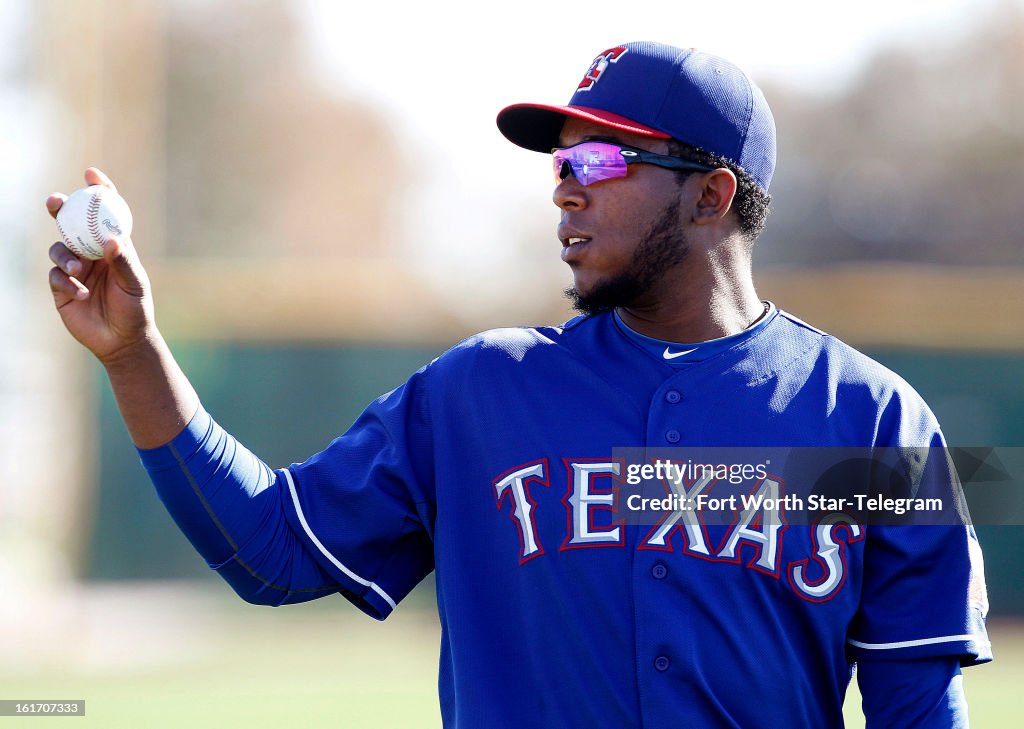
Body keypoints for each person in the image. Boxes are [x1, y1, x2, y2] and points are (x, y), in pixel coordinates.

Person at [47, 41, 990, 727]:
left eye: (596, 161)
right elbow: (270, 551)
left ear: (710, 194)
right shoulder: (479, 394)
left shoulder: (872, 419)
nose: (563, 188)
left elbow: (919, 707)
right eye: (558, 163)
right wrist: (134, 355)